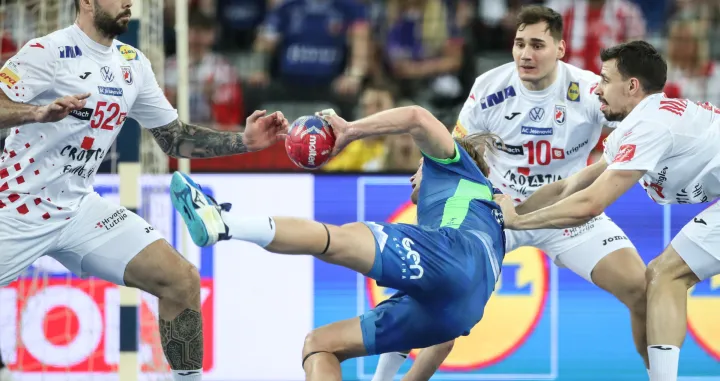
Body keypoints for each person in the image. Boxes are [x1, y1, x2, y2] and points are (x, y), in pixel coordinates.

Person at [0, 1, 287, 381]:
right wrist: (35, 113)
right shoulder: (46, 52)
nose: (128, 3)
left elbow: (175, 139)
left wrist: (244, 143)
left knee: (181, 281)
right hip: (18, 207)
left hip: (79, 209)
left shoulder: (132, 63)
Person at [372, 6, 649, 381]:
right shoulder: (490, 87)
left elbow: (638, 118)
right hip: (496, 214)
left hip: (565, 213)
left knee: (641, 290)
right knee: (435, 302)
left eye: (537, 45)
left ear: (561, 49)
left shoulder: (587, 90)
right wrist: (428, 172)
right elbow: (454, 146)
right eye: (519, 44)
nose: (525, 54)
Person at [169, 107, 507, 381]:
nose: (413, 176)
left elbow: (417, 117)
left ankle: (225, 223)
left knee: (333, 240)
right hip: (464, 309)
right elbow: (441, 339)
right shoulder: (488, 220)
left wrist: (350, 131)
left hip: (454, 252)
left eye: (419, 167)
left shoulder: (453, 166)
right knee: (320, 345)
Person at [493, 40, 720, 381]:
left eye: (604, 80)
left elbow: (590, 204)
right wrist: (503, 213)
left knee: (665, 274)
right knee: (662, 276)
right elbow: (570, 186)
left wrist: (519, 221)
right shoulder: (634, 128)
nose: (596, 89)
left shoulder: (651, 126)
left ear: (632, 86)